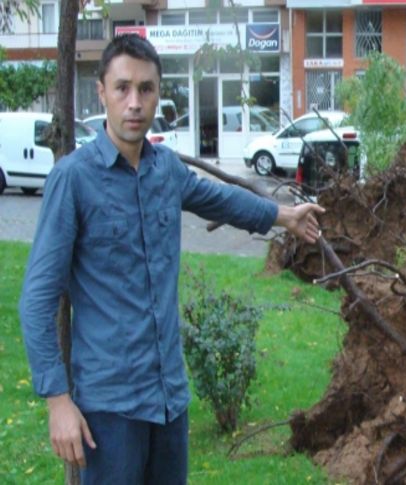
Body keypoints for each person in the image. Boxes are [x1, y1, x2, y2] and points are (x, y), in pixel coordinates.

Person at [18, 34, 324, 484]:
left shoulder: (166, 170)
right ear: (101, 91)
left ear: (158, 94)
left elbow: (220, 200)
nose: (134, 102)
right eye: (122, 88)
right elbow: (37, 297)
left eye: (146, 89)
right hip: (109, 410)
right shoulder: (73, 180)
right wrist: (57, 401)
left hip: (168, 402)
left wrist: (283, 216)